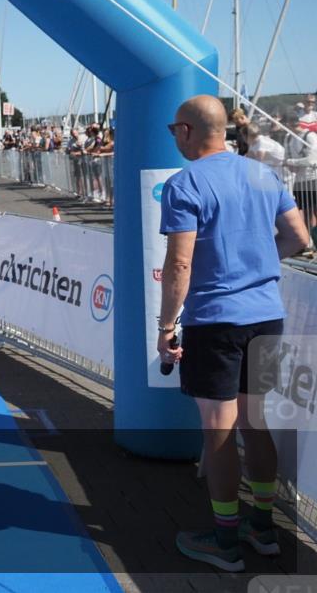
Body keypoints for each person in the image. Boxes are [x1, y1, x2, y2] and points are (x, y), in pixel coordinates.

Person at [157, 95, 309, 572]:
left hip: (217, 320)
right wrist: (257, 267)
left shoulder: (185, 183)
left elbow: (180, 263)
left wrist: (166, 327)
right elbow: (300, 239)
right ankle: (261, 528)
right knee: (254, 422)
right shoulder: (265, 173)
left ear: (185, 131)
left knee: (218, 432)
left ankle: (224, 542)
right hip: (265, 314)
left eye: (173, 130)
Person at [283, 114, 317, 252]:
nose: (291, 126)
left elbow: (312, 159)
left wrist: (292, 162)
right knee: (306, 213)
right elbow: (285, 158)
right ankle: (306, 243)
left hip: (314, 179)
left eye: (294, 123)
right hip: (300, 181)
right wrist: (290, 162)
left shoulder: (310, 136)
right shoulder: (288, 137)